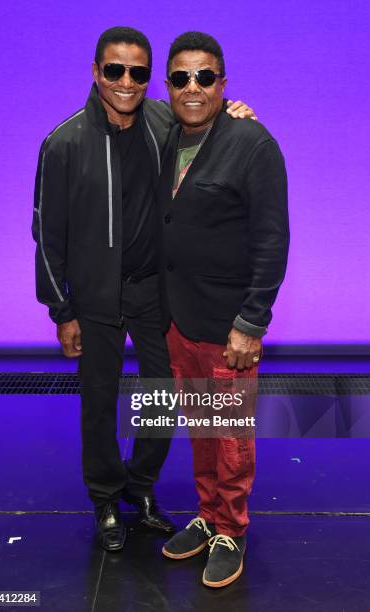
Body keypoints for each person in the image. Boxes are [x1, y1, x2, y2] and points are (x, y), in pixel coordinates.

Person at [32, 26, 256, 553]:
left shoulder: (163, 120)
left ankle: (141, 487)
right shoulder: (63, 143)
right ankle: (106, 497)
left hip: (155, 293)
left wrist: (236, 116)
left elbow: (208, 121)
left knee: (162, 396)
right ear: (95, 72)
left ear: (149, 78)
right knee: (100, 401)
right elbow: (45, 236)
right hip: (93, 299)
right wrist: (60, 309)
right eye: (115, 70)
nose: (126, 82)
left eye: (138, 72)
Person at [159, 32, 289, 587]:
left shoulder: (253, 143)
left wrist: (251, 322)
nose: (194, 87)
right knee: (201, 429)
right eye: (182, 78)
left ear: (223, 83)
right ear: (167, 86)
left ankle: (231, 530)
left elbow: (271, 239)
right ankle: (209, 515)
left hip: (228, 324)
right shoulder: (162, 138)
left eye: (205, 77)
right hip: (177, 319)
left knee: (230, 435)